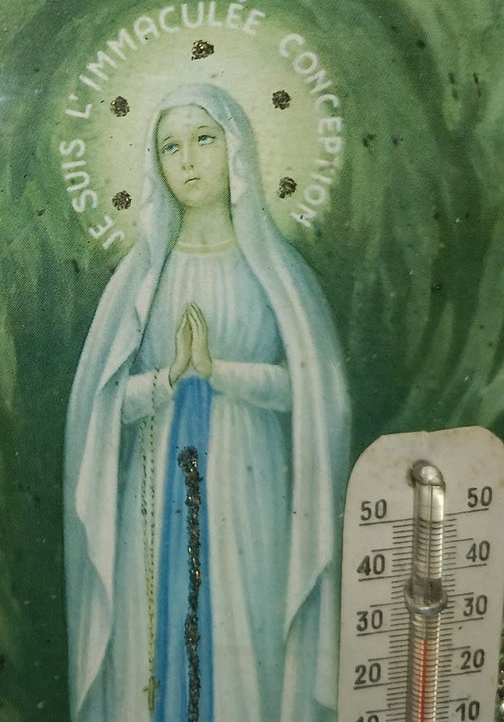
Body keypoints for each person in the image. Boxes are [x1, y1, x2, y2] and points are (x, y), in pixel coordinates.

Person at [64, 83, 348, 722]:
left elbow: (308, 393)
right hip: (154, 483)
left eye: (203, 139)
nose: (188, 160)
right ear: (155, 163)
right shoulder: (143, 277)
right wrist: (168, 379)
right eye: (171, 147)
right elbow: (103, 408)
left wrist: (221, 373)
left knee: (244, 619)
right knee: (154, 631)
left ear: (235, 147)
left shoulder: (275, 274)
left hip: (250, 481)